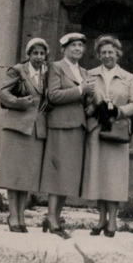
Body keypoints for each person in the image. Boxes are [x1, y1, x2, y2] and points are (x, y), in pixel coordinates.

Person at [81, 35, 133, 237]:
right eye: (103, 52)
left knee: (114, 176)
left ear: (118, 54)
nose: (107, 56)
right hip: (97, 130)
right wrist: (92, 107)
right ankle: (100, 219)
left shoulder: (128, 77)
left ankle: (113, 221)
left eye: (111, 52)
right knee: (98, 174)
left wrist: (118, 111)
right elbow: (85, 101)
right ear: (98, 54)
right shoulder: (90, 75)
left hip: (117, 131)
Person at [40, 32, 95, 238]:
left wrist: (90, 98)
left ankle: (55, 217)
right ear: (64, 49)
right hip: (61, 125)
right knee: (58, 173)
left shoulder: (84, 71)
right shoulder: (56, 67)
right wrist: (81, 89)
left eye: (81, 45)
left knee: (68, 175)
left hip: (77, 126)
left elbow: (85, 98)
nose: (78, 49)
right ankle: (51, 218)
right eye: (73, 46)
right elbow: (53, 95)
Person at [0, 37, 49, 232]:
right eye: (35, 53)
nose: (38, 57)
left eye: (41, 53)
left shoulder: (47, 73)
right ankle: (13, 215)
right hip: (17, 127)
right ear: (28, 55)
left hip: (36, 129)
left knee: (27, 174)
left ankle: (22, 216)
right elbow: (3, 93)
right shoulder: (18, 70)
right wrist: (20, 102)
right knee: (14, 173)